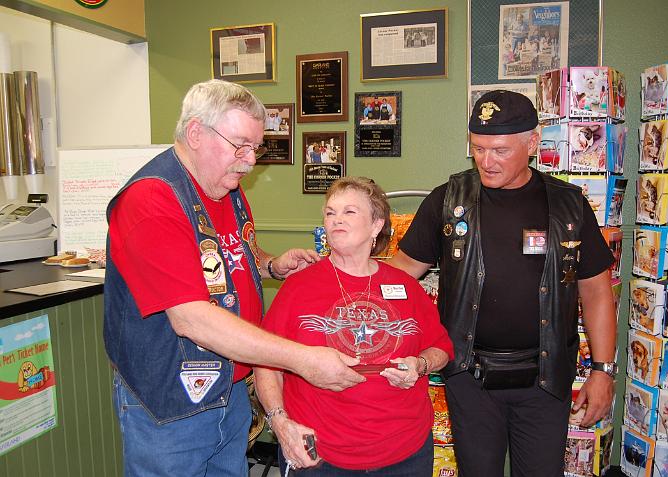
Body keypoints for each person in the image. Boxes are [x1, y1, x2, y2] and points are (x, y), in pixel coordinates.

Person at [104, 79, 364, 477]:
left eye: (256, 147)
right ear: (196, 133)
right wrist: (304, 359)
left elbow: (224, 258)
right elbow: (192, 318)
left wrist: (270, 265)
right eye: (240, 145)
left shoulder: (225, 185)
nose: (250, 160)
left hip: (229, 391)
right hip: (171, 404)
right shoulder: (151, 200)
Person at [387, 90, 617, 476]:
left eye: (499, 151)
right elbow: (400, 273)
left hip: (545, 378)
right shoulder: (448, 201)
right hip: (469, 377)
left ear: (532, 143)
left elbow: (596, 291)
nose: (486, 161)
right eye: (478, 149)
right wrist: (342, 288)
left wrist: (603, 370)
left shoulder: (569, 205)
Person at [255, 177, 454, 476]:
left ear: (376, 225)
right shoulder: (298, 287)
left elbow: (441, 348)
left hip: (405, 451)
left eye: (349, 211)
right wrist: (280, 423)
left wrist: (420, 364)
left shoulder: (406, 286)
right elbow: (265, 363)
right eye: (330, 212)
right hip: (321, 455)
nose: (336, 219)